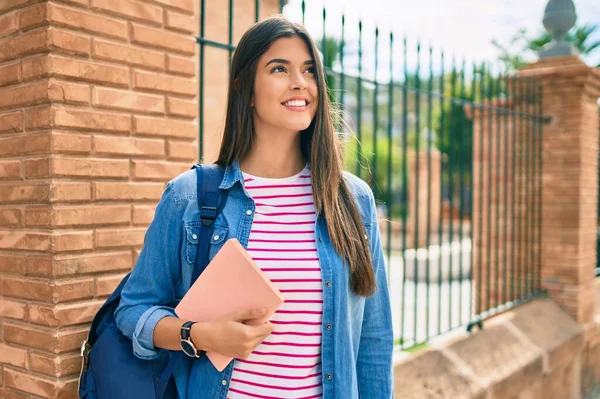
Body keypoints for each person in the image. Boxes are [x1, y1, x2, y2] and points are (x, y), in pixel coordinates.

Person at [114, 15, 393, 399]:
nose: (300, 82)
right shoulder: (190, 196)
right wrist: (197, 334)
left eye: (309, 70)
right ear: (246, 89)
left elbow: (374, 341)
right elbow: (134, 309)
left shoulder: (352, 200)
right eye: (279, 68)